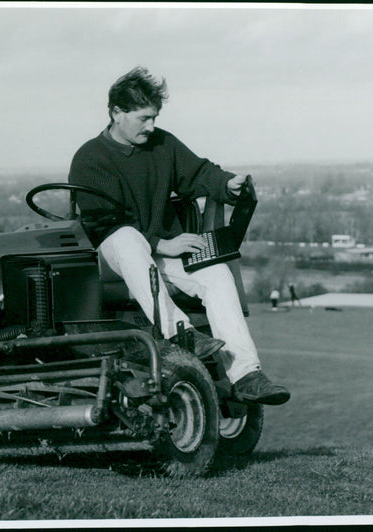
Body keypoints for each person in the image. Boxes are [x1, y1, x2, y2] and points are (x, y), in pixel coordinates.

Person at [68, 67, 289, 405]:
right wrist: (162, 243)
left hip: (160, 253)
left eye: (154, 117)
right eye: (144, 118)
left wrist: (225, 184)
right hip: (114, 258)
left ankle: (245, 374)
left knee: (216, 274)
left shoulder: (163, 145)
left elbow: (199, 172)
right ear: (116, 112)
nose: (151, 126)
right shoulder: (89, 158)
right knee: (127, 239)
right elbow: (103, 224)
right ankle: (180, 333)